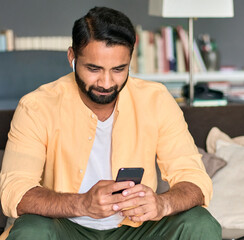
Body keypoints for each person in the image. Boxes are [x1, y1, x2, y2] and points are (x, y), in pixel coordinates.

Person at [0, 6, 221, 239]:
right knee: (32, 231)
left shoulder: (156, 99)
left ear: (129, 61)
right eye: (93, 69)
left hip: (137, 230)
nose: (106, 83)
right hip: (65, 227)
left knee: (200, 223)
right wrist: (82, 204)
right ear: (72, 58)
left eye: (118, 69)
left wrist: (162, 204)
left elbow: (194, 178)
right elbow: (15, 190)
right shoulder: (37, 106)